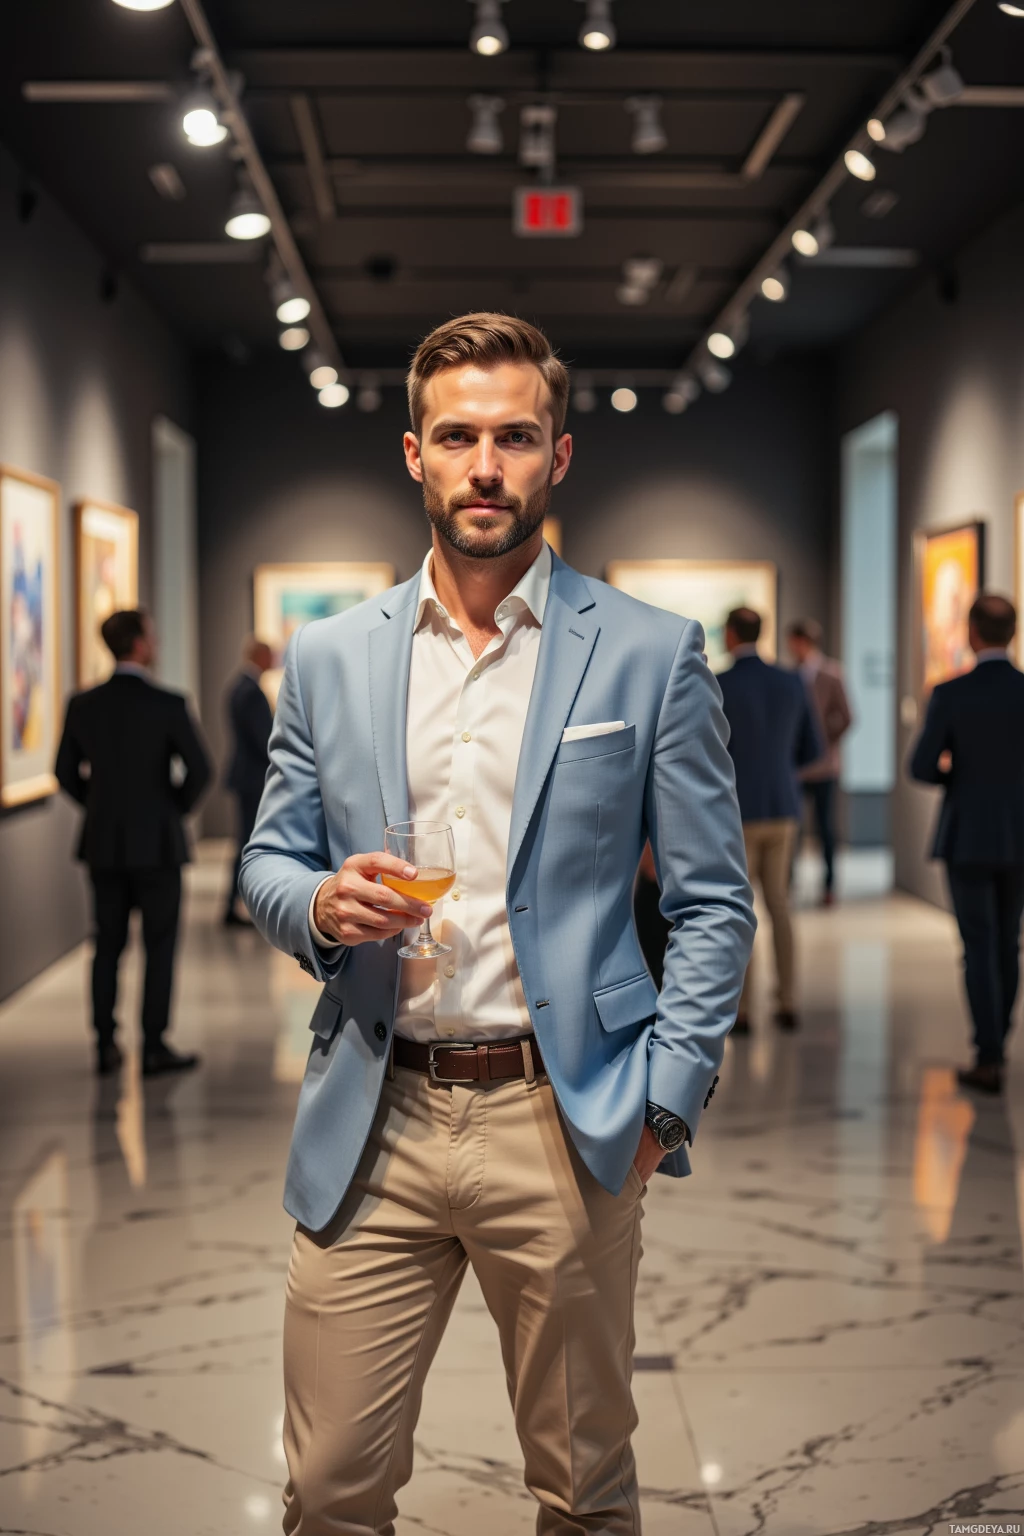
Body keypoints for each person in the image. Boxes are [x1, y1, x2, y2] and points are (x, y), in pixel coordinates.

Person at [240, 312, 755, 1534]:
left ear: (557, 456)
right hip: (375, 1114)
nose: (486, 465)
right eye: (458, 436)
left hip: (563, 1118)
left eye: (514, 437)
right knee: (326, 1489)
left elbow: (711, 897)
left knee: (583, 1491)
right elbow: (267, 854)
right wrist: (315, 902)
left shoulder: (648, 653)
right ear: (411, 453)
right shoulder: (328, 657)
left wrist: (665, 1101)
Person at [55, 609, 212, 1077]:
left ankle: (104, 1042)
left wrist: (99, 808)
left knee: (107, 945)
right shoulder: (167, 703)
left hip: (104, 843)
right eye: (153, 635)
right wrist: (171, 811)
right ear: (140, 645)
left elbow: (65, 772)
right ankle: (153, 1045)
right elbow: (200, 771)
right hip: (159, 845)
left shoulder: (83, 704)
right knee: (160, 946)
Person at [909, 593, 1024, 1095]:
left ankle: (989, 1054)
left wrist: (957, 774)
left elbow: (920, 767)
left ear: (974, 633)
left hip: (969, 834)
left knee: (977, 944)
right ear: (1012, 634)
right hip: (1020, 833)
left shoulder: (951, 692)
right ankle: (1000, 1040)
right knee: (1008, 940)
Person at [718, 607, 822, 1034]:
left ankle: (741, 1010)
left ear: (729, 635)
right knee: (780, 905)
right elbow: (813, 748)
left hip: (735, 809)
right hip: (782, 806)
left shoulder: (720, 684)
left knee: (741, 911)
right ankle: (788, 1001)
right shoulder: (790, 681)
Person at [786, 618, 853, 906]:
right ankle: (787, 882)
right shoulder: (790, 676)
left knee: (826, 827)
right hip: (796, 767)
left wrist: (824, 741)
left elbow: (847, 716)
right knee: (793, 828)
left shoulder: (832, 674)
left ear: (804, 642)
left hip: (825, 766)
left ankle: (829, 885)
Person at [223, 637, 274, 927]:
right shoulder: (250, 690)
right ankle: (236, 905)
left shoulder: (241, 686)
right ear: (260, 656)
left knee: (245, 841)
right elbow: (263, 739)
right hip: (253, 780)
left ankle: (236, 903)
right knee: (247, 843)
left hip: (247, 778)